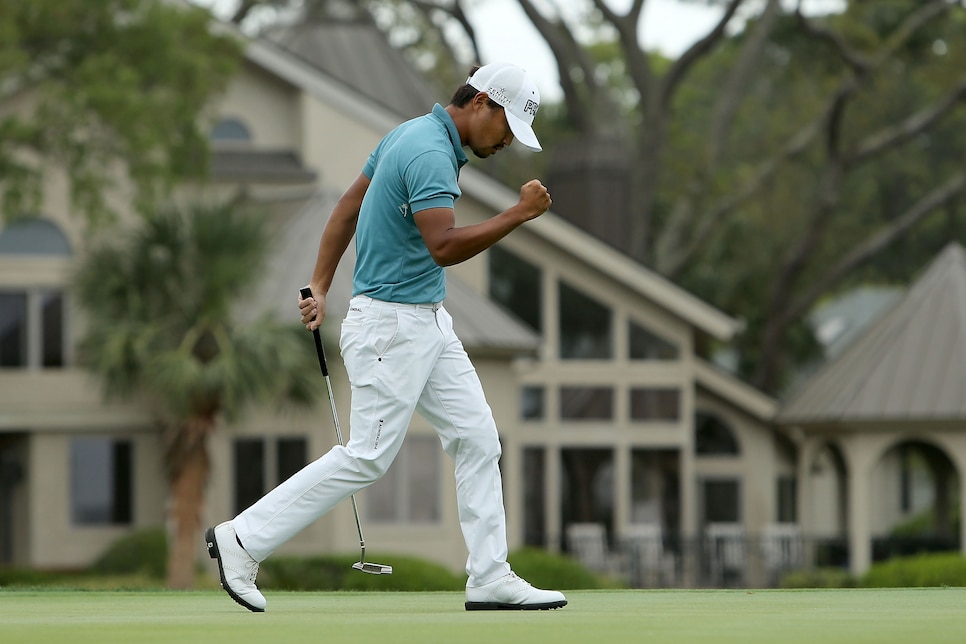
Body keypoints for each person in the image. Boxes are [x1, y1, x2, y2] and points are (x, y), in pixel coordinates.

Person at [206, 62, 566, 613]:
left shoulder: (412, 134)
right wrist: (517, 214)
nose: (506, 142)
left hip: (426, 320)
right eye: (507, 127)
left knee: (478, 439)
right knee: (368, 456)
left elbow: (349, 205)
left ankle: (490, 576)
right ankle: (242, 539)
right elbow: (443, 246)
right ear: (481, 104)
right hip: (390, 327)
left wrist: (321, 284)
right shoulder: (429, 153)